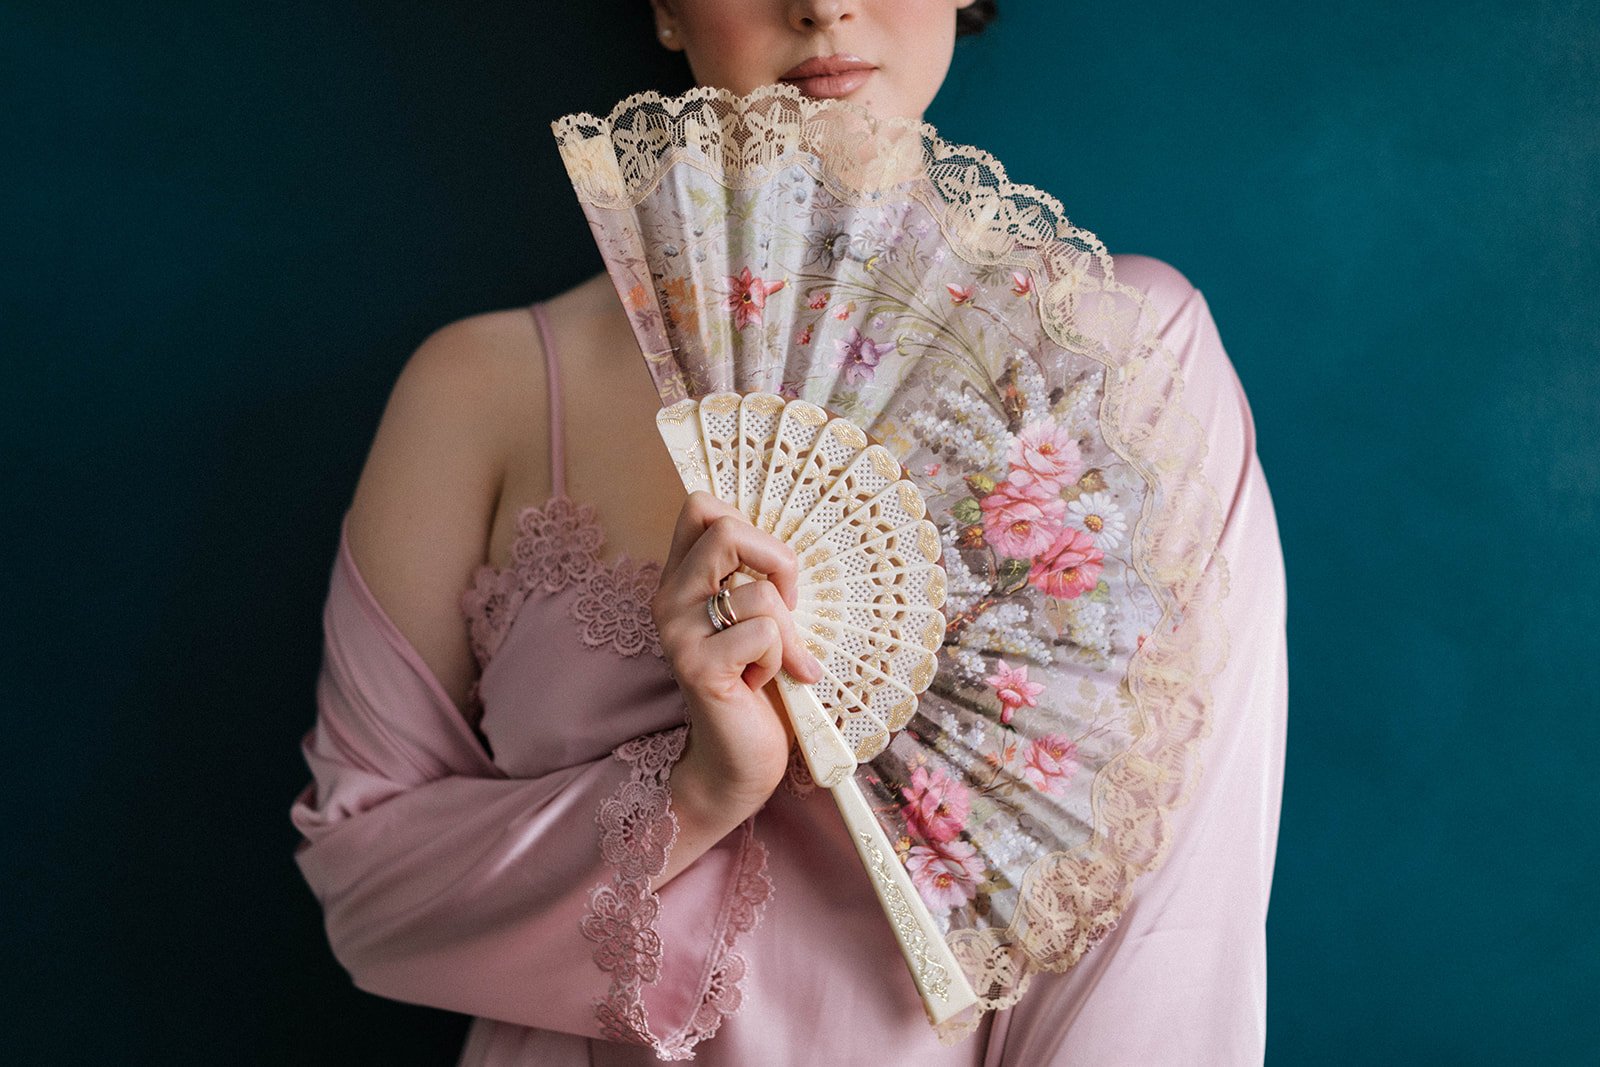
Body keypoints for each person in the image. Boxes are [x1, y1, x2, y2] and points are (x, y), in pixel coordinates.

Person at [290, 1, 1288, 1063]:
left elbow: (1171, 924)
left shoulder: (1125, 361)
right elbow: (368, 893)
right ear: (664, 8)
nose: (822, 4)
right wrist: (700, 790)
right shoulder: (479, 390)